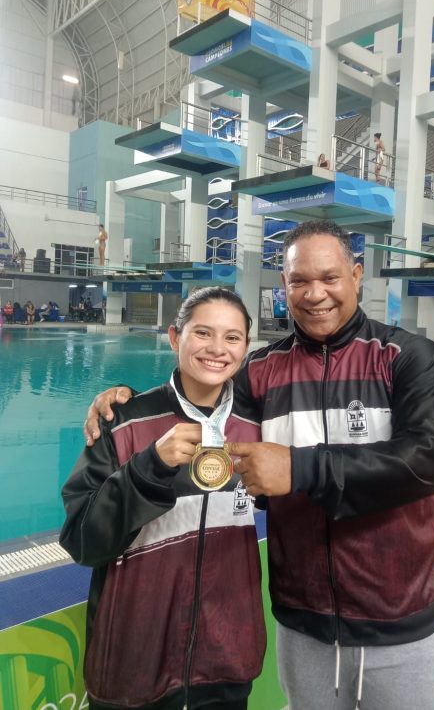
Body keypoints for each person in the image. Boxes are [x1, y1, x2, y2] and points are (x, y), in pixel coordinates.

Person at [84, 220, 434, 710]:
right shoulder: (260, 372)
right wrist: (126, 402)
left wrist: (301, 469)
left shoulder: (407, 358)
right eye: (299, 281)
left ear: (356, 275)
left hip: (400, 620)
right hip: (304, 624)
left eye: (329, 278)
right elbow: (201, 400)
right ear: (284, 285)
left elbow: (428, 460)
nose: (315, 294)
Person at [60, 286, 266, 710]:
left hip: (225, 662)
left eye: (232, 337)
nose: (217, 349)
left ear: (246, 347)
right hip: (133, 666)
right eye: (202, 333)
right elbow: (82, 541)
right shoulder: (123, 423)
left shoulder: (258, 426)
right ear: (175, 337)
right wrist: (148, 467)